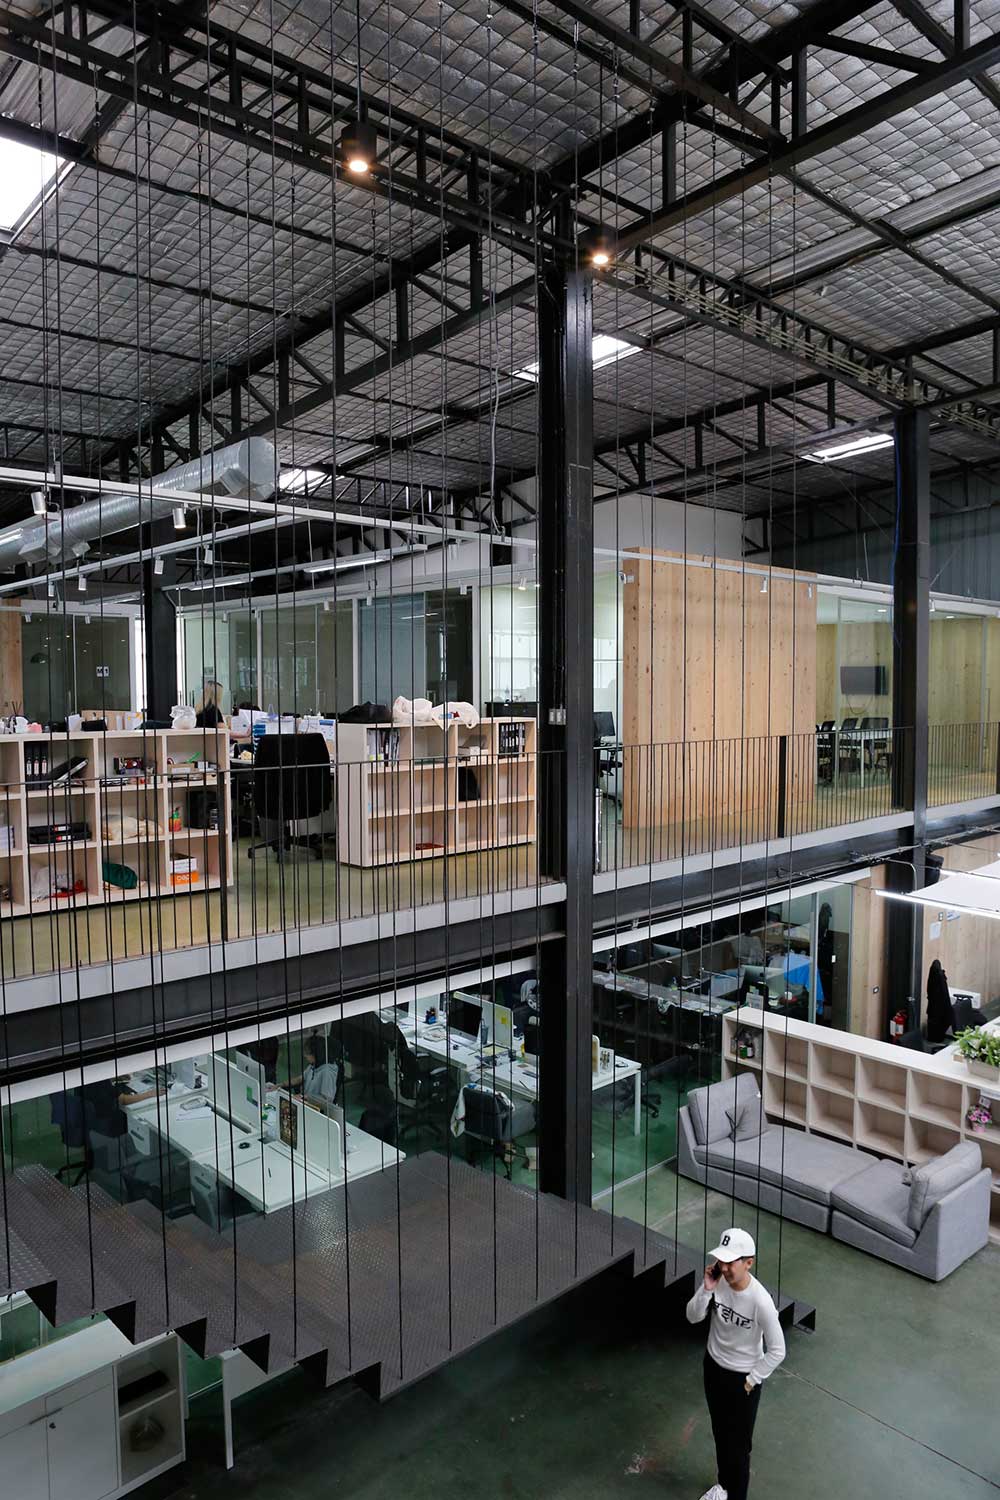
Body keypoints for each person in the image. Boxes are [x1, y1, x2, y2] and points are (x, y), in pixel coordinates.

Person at [686, 1226, 785, 1500]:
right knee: (720, 1434)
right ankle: (723, 1487)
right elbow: (692, 1316)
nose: (724, 1267)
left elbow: (778, 1350)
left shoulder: (760, 1301)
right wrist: (706, 1290)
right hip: (713, 1368)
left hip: (742, 1380)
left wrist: (752, 1379)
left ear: (748, 1263)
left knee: (738, 1448)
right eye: (721, 1260)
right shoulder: (716, 1281)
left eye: (731, 1262)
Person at [286, 1035, 339, 1109]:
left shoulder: (327, 1072)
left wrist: (303, 1097)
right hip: (305, 1103)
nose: (305, 1056)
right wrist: (281, 1085)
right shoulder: (314, 1065)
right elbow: (300, 1078)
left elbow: (326, 1100)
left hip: (315, 1109)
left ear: (316, 1054)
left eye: (308, 1053)